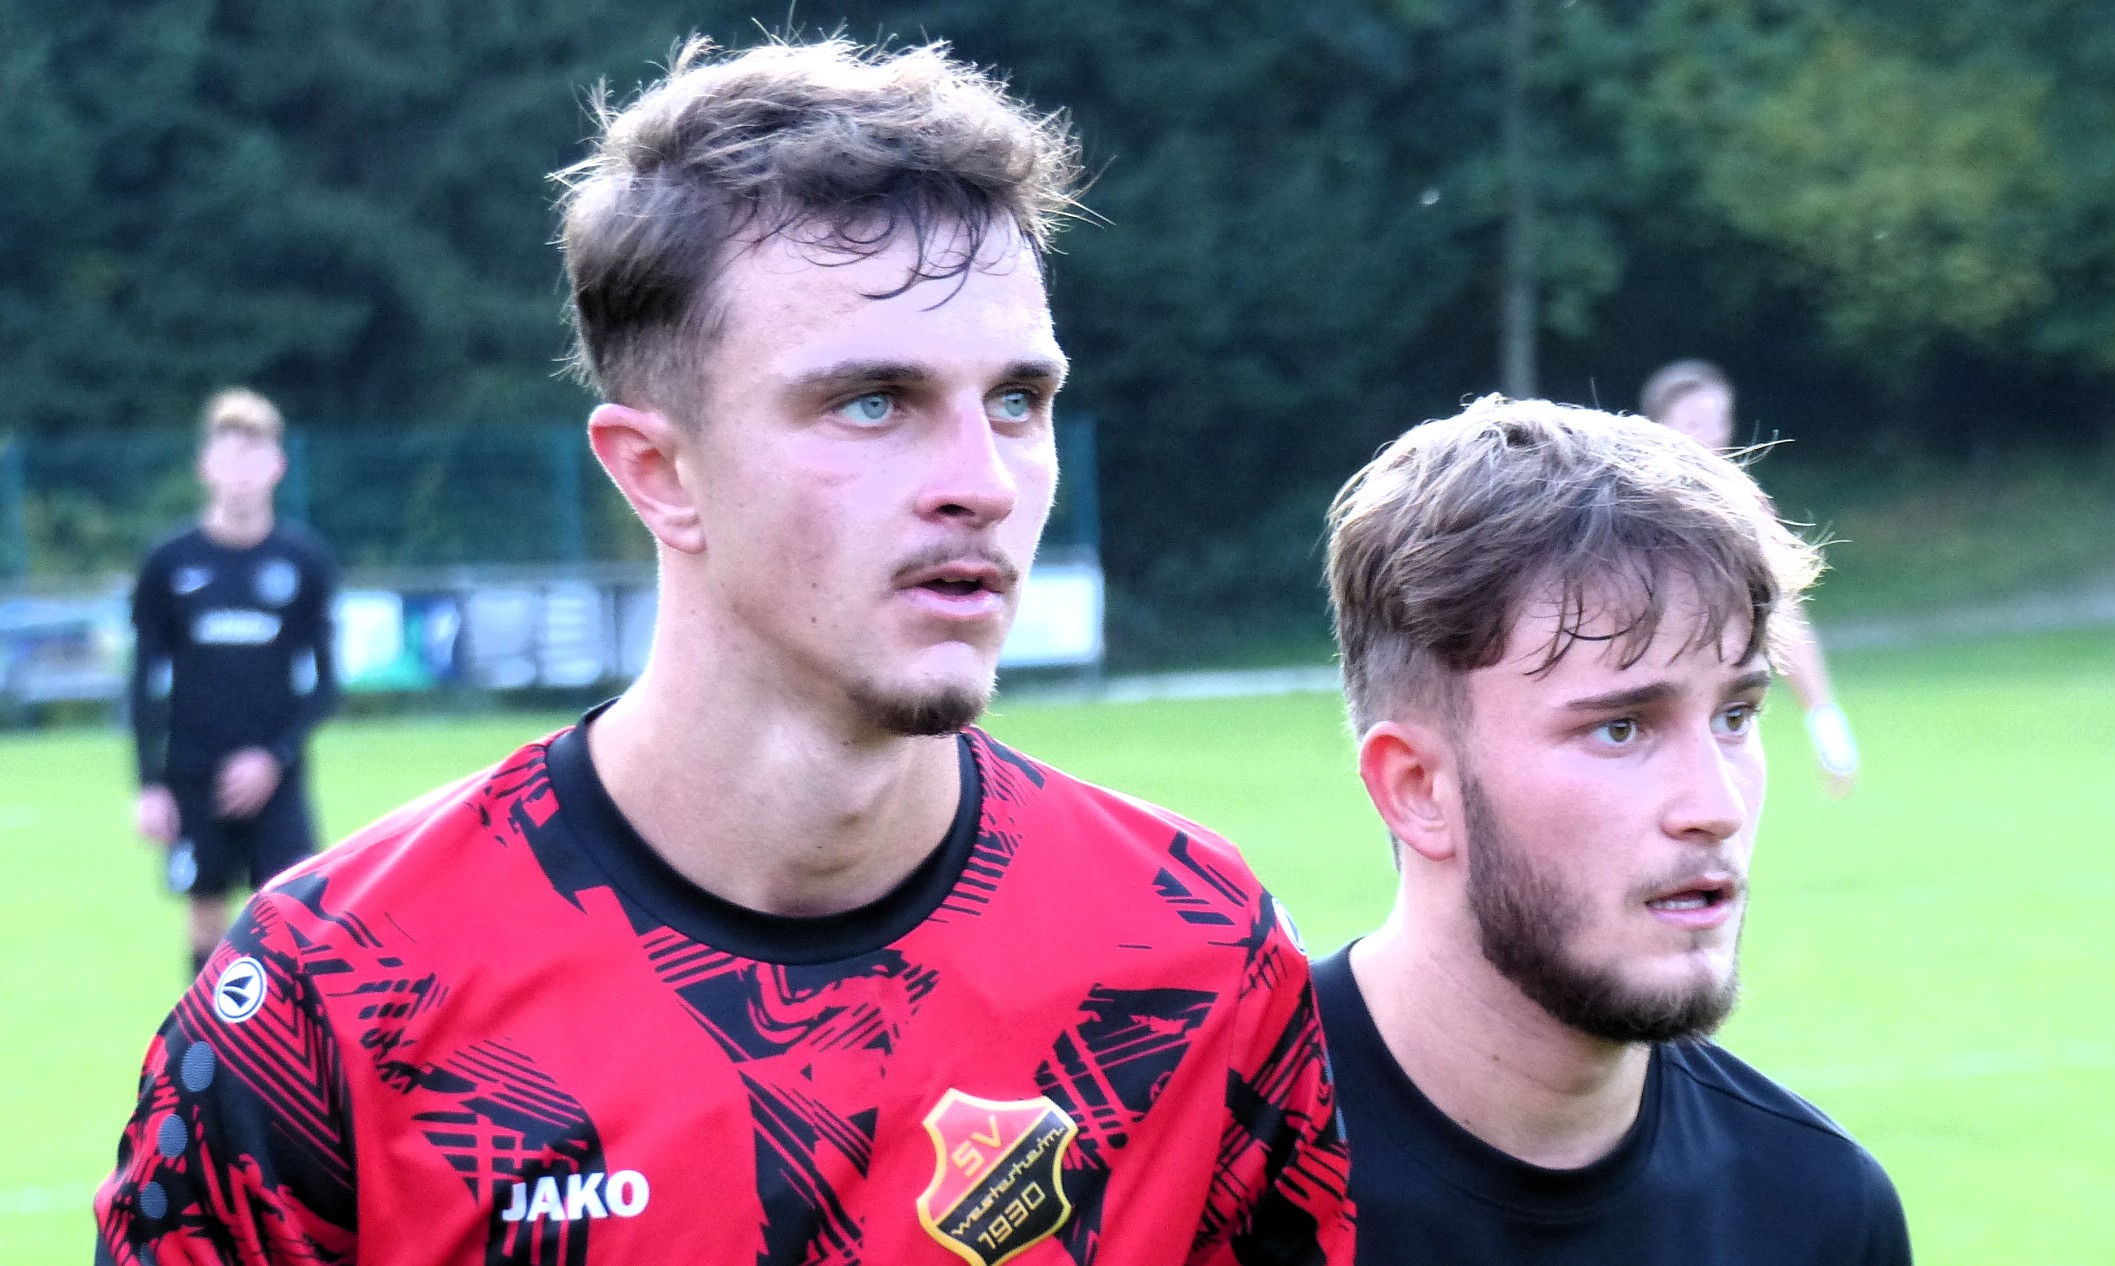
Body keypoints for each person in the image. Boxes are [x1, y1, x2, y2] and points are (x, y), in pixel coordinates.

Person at [96, 38, 1351, 1266]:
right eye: (873, 402)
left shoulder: (1196, 954)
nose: (982, 482)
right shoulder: (330, 1002)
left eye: (1018, 401)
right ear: (657, 472)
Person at [1314, 396, 1909, 1263]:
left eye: (1736, 716)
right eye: (1621, 728)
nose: (1717, 806)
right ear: (1419, 790)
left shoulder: (1820, 1213)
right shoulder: (1199, 1176)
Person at [127, 387, 339, 979]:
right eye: (229, 456)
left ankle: (287, 1037)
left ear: (278, 466)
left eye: (255, 456)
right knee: (206, 916)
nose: (242, 473)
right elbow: (144, 678)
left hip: (277, 777)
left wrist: (272, 756)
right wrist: (149, 783)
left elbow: (326, 685)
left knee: (293, 918)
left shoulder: (305, 561)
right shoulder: (169, 562)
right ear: (205, 467)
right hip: (192, 773)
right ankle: (205, 1038)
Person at [1641, 359, 1859, 797]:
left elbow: (1784, 613)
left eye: (1719, 421)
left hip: (1712, 704)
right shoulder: (1619, 508)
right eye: (1695, 423)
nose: (1712, 436)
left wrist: (1826, 724)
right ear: (1657, 425)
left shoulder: (1743, 508)